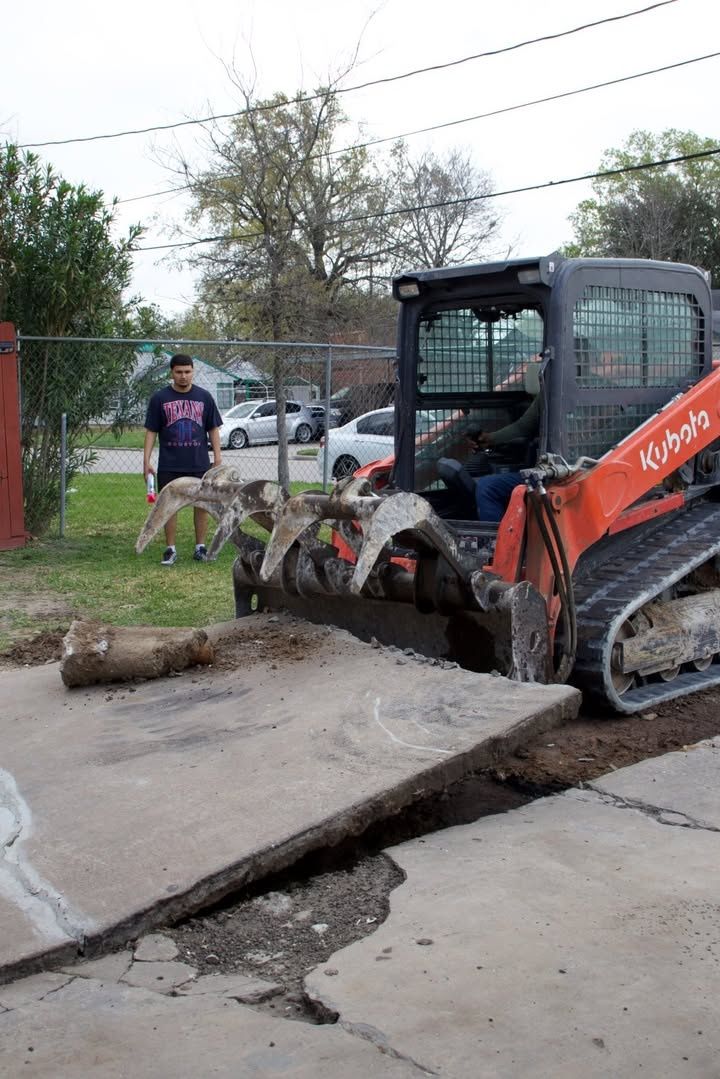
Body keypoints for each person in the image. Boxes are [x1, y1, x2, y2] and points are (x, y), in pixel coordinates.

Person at [143, 354, 223, 565]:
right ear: (172, 372)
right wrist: (146, 461)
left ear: (193, 371)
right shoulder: (160, 398)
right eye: (179, 372)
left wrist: (217, 457)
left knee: (202, 505)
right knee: (169, 506)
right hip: (170, 463)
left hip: (198, 462)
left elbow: (213, 428)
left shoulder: (204, 397)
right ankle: (170, 549)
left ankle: (200, 547)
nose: (183, 376)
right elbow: (151, 431)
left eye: (187, 371)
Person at [437, 369, 541, 523]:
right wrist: (490, 439)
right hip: (541, 470)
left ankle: (496, 543)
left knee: (488, 488)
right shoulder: (546, 397)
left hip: (555, 474)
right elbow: (521, 427)